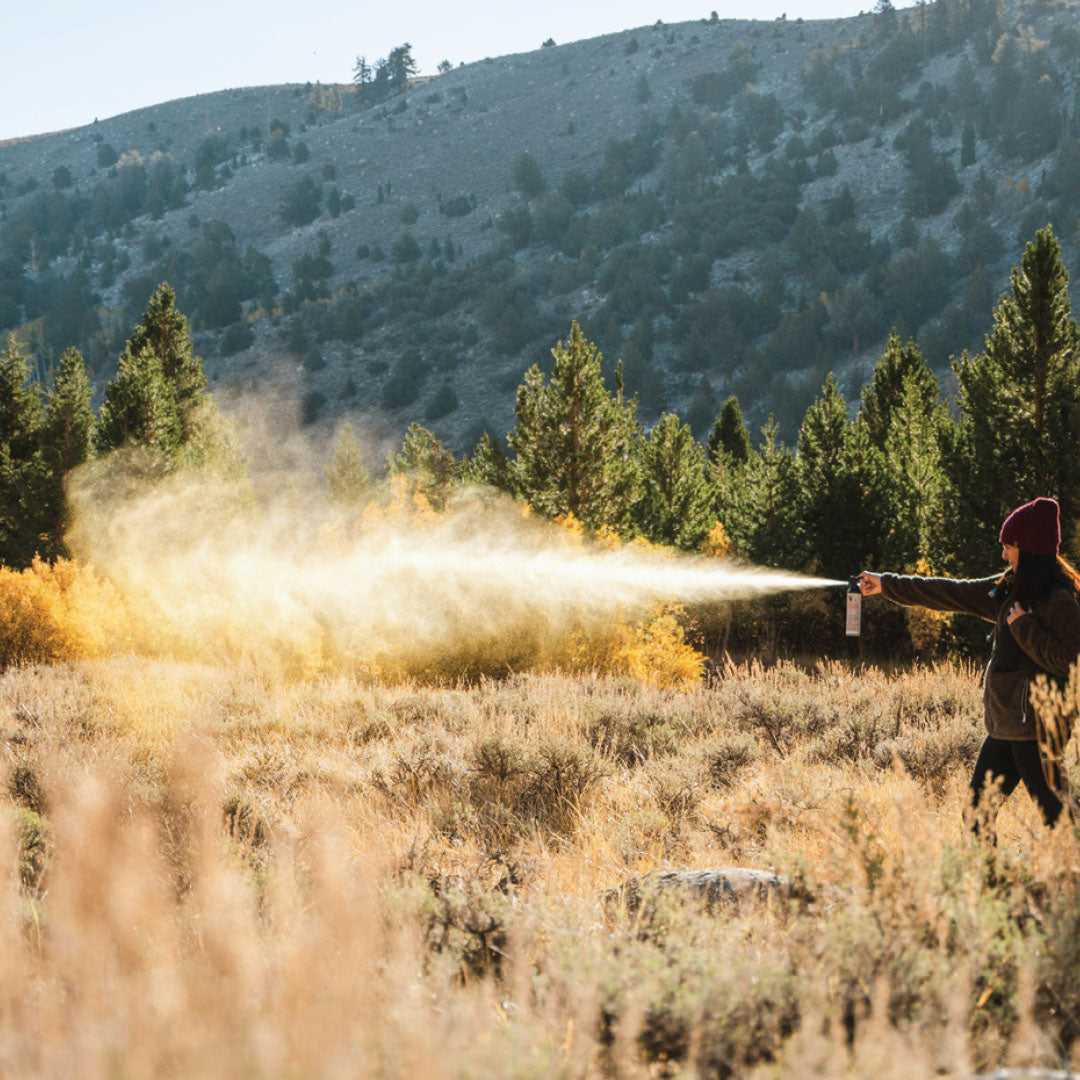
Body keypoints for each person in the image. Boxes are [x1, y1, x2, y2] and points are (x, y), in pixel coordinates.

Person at [859, 497, 1080, 836]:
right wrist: (886, 584)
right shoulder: (1008, 588)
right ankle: (988, 885)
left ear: (1031, 549)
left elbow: (1073, 664)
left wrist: (1025, 628)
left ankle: (1067, 884)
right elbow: (951, 593)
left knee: (1059, 820)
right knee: (976, 817)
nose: (1004, 554)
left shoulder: (1058, 601)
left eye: (1009, 547)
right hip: (1007, 724)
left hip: (1038, 728)